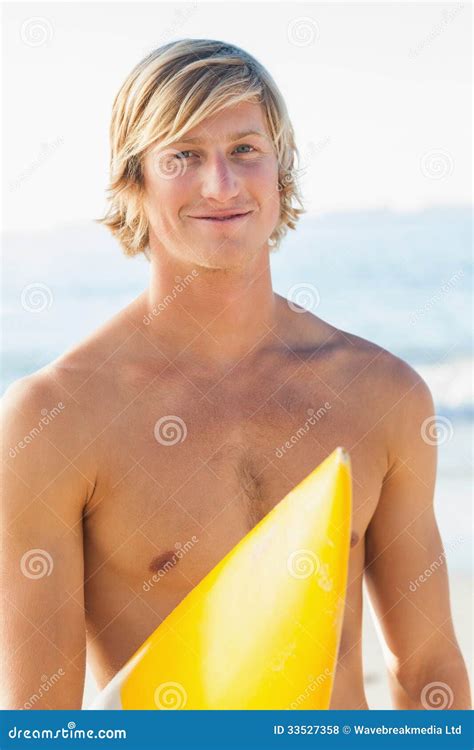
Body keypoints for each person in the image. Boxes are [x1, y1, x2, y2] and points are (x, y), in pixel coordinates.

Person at [1, 38, 470, 710]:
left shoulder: (382, 393)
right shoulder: (57, 416)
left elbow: (428, 666)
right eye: (184, 156)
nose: (221, 185)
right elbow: (39, 716)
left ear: (281, 171)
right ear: (136, 180)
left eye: (245, 150)